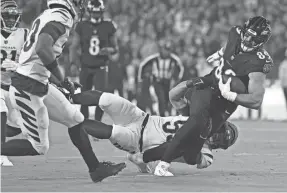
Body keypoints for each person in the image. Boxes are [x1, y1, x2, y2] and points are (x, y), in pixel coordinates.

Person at [4, 0, 125, 182]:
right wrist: (62, 79)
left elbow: (39, 59)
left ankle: (95, 169)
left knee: (75, 118)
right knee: (39, 147)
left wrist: (60, 82)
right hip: (27, 87)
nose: (82, 6)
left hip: (38, 82)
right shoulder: (61, 16)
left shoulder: (50, 14)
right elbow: (43, 49)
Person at [151, 16, 274, 176]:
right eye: (247, 35)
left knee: (196, 144)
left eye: (253, 39)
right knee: (195, 121)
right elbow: (229, 46)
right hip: (210, 85)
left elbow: (256, 101)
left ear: (261, 41)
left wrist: (231, 95)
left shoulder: (259, 62)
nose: (247, 40)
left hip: (226, 102)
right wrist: (220, 53)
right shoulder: (235, 33)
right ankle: (162, 163)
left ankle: (150, 156)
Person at [64, 89, 238, 172]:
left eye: (219, 138)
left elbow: (181, 152)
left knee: (114, 132)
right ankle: (68, 96)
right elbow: (174, 96)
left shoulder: (206, 155)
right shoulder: (202, 117)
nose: (215, 135)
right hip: (142, 118)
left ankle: (76, 125)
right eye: (219, 131)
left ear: (219, 145)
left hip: (139, 142)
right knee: (109, 99)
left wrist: (145, 158)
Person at [69, 0, 118, 121]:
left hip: (101, 66)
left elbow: (115, 49)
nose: (96, 15)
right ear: (90, 12)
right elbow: (74, 46)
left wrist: (109, 50)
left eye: (98, 13)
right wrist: (73, 63)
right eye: (94, 13)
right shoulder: (82, 26)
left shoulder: (108, 25)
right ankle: (84, 123)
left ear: (101, 12)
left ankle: (97, 123)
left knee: (100, 97)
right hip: (85, 66)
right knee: (84, 96)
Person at [0, 0, 29, 166]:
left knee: (20, 126)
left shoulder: (24, 34)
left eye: (13, 16)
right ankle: (1, 153)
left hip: (14, 87)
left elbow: (33, 59)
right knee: (1, 109)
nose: (10, 19)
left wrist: (19, 66)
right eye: (6, 16)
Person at [137, 40, 184, 116]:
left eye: (168, 50)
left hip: (167, 82)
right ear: (162, 49)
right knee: (161, 98)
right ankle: (162, 115)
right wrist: (141, 79)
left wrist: (178, 79)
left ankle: (165, 114)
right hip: (157, 81)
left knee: (167, 99)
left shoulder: (174, 59)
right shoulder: (155, 58)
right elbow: (142, 65)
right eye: (165, 49)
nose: (167, 52)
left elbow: (181, 68)